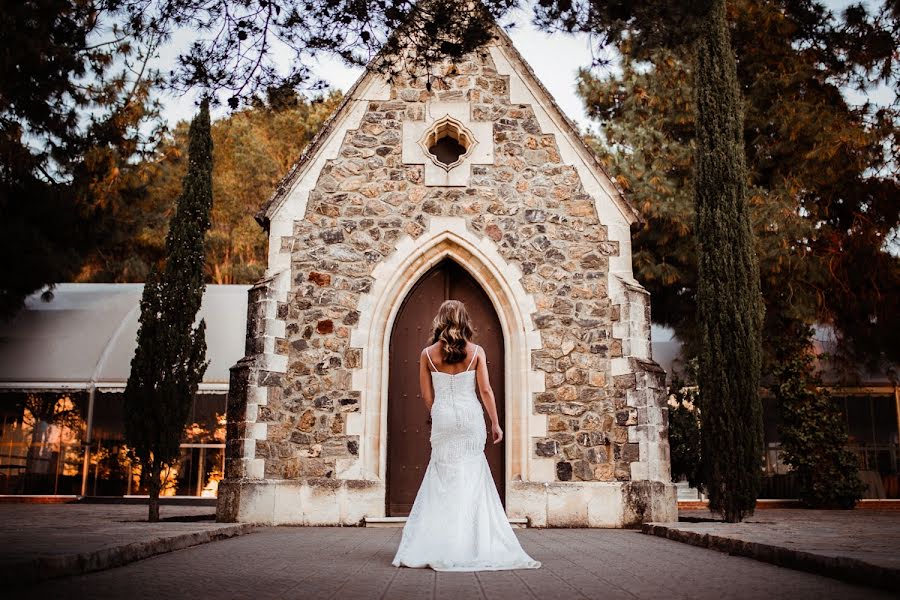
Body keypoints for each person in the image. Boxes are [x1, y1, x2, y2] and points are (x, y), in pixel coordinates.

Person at [392, 299, 541, 571]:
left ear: (440, 320)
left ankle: (441, 541)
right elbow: (485, 391)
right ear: (464, 321)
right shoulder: (476, 352)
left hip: (444, 418)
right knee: (471, 476)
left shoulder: (427, 354)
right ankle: (471, 542)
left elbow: (427, 396)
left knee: (442, 477)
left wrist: (439, 412)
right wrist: (495, 423)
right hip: (471, 418)